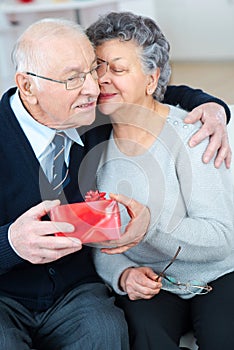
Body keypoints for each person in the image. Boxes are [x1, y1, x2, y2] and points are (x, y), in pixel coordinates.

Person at [0, 16, 231, 350]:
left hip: (75, 291)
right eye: (76, 77)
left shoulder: (91, 117)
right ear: (28, 87)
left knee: (107, 332)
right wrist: (9, 243)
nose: (95, 86)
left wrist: (211, 105)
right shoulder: (88, 118)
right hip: (8, 292)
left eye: (92, 71)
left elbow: (149, 91)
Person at [86, 12, 234, 350]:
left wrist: (150, 227)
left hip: (218, 275)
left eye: (118, 69)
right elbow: (100, 242)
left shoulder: (194, 137)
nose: (103, 79)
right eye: (97, 68)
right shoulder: (93, 146)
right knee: (142, 335)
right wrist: (123, 275)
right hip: (152, 282)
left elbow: (223, 238)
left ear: (152, 79)